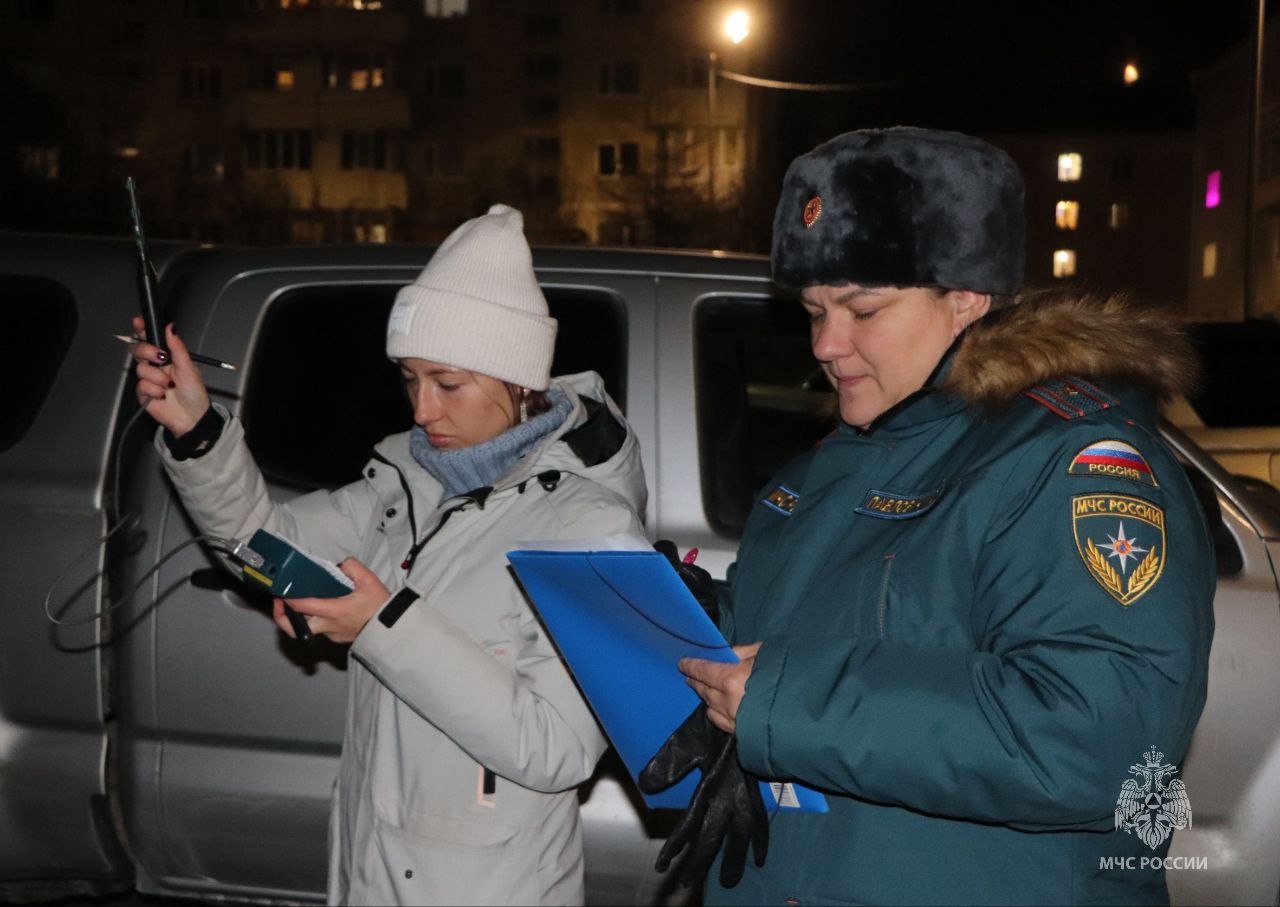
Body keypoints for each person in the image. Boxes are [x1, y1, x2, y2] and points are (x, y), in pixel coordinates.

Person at [644, 127, 1214, 905]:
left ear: (966, 299)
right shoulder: (825, 468)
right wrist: (685, 625)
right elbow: (796, 648)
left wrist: (787, 701)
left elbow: (1101, 742)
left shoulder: (1071, 460)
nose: (825, 343)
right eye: (812, 310)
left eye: (862, 309)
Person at [128, 204, 647, 905]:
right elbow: (259, 542)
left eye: (448, 382)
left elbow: (558, 747)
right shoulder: (405, 485)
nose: (422, 410)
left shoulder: (591, 525)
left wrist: (380, 624)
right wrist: (197, 431)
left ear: (521, 382)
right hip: (370, 871)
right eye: (410, 379)